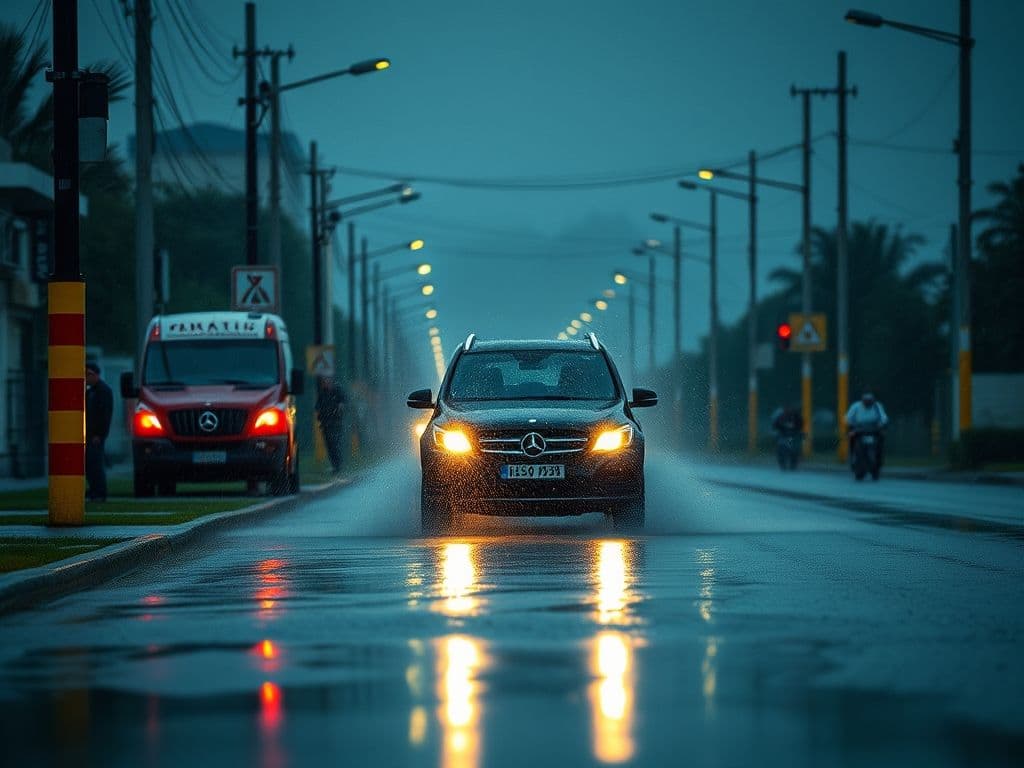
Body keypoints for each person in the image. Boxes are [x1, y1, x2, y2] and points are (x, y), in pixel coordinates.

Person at [85, 361, 114, 502]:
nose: (87, 377)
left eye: (89, 374)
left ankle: (100, 492)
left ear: (96, 374)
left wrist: (99, 434)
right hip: (89, 434)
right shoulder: (91, 392)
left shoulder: (103, 391)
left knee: (96, 463)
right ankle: (94, 490)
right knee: (90, 464)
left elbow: (105, 415)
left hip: (96, 435)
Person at [845, 391, 889, 466]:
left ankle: (879, 458)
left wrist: (881, 424)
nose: (867, 403)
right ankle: (853, 456)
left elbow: (883, 417)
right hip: (859, 429)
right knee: (851, 438)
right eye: (866, 401)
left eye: (869, 401)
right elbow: (848, 418)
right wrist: (852, 424)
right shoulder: (856, 406)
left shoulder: (877, 406)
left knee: (881, 438)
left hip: (873, 429)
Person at [315, 376, 346, 473]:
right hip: (325, 423)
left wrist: (340, 407)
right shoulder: (322, 393)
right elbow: (317, 406)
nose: (324, 383)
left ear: (330, 381)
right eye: (323, 381)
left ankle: (338, 466)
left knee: (335, 443)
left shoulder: (337, 391)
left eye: (326, 381)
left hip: (335, 422)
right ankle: (334, 466)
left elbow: (344, 402)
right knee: (329, 445)